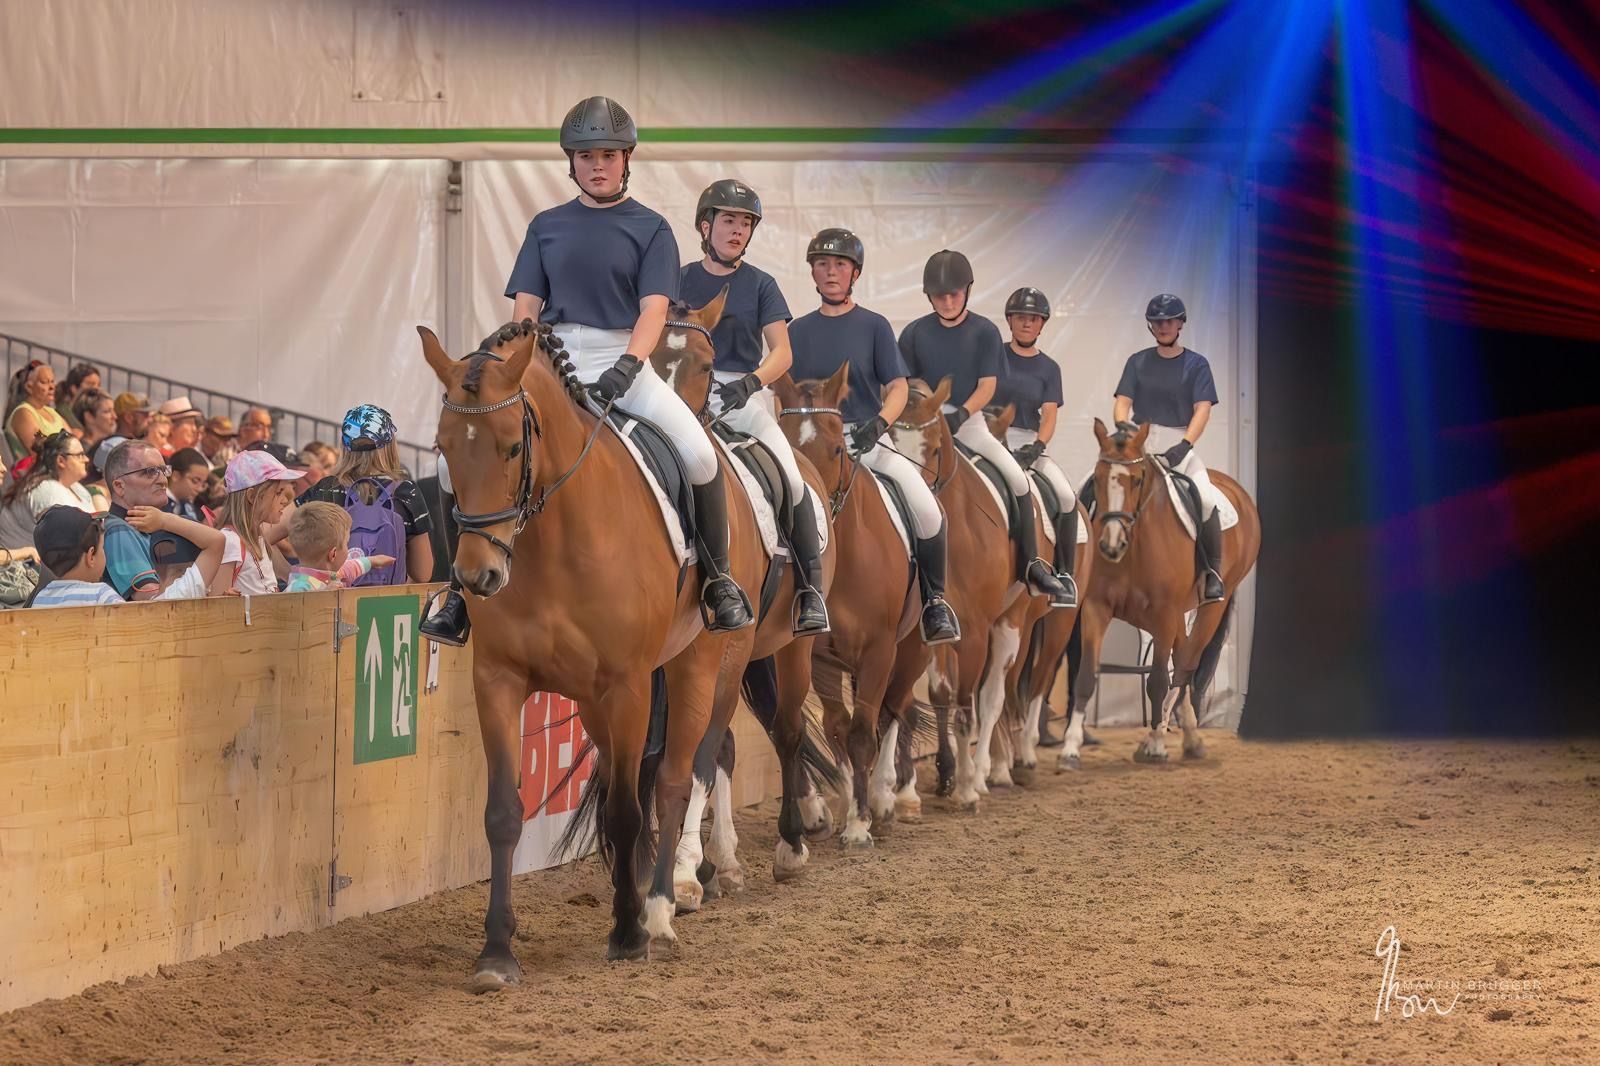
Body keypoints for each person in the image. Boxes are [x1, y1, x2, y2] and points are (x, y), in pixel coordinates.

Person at [426, 94, 752, 647]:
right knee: (444, 467)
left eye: (607, 154)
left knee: (698, 455)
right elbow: (525, 308)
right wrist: (516, 363)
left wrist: (630, 365)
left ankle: (718, 580)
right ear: (570, 162)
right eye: (585, 156)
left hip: (623, 356)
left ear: (626, 159)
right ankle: (456, 594)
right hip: (547, 357)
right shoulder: (545, 225)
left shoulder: (651, 228)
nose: (596, 165)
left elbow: (654, 309)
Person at [787, 228, 961, 645]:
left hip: (864, 437)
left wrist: (879, 423)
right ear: (812, 271)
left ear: (854, 274)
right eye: (823, 264)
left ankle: (935, 602)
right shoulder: (796, 331)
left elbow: (898, 386)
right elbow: (785, 395)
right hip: (811, 447)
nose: (831, 272)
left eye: (840, 265)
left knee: (928, 508)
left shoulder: (874, 326)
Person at [679, 179, 829, 634]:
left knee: (791, 475)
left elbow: (782, 352)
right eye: (729, 221)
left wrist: (751, 382)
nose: (738, 231)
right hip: (682, 391)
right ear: (706, 225)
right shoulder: (679, 278)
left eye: (745, 224)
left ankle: (810, 590)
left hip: (739, 393)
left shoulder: (761, 284)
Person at [898, 250, 1071, 607]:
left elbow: (988, 386)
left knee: (1019, 480)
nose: (947, 301)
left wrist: (961, 414)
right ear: (928, 295)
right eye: (939, 295)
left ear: (968, 291)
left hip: (969, 422)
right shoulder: (915, 331)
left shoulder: (984, 331)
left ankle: (1032, 564)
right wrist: (927, 405)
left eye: (954, 294)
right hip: (922, 423)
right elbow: (907, 381)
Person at [1112, 293, 1225, 604]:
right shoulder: (1137, 361)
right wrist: (1125, 429)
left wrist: (1186, 444)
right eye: (1158, 322)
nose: (1163, 326)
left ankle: (1211, 572)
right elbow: (1122, 402)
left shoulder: (1197, 364)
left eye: (1169, 321)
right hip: (1141, 440)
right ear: (1151, 326)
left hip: (1179, 441)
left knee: (1204, 498)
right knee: (1097, 487)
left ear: (1180, 324)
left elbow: (1203, 408)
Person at [991, 287, 1079, 606]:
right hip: (988, 439)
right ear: (1010, 321)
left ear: (1041, 324)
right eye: (1020, 318)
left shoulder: (1049, 368)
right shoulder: (992, 356)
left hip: (1028, 443)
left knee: (1067, 498)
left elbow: (1050, 415)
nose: (1026, 324)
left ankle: (1066, 575)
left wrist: (1037, 446)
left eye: (1033, 319)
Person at [298, 405, 433, 587]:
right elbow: (423, 573)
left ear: (345, 446)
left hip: (333, 604)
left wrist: (292, 578)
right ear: (390, 445)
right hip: (388, 608)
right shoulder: (406, 493)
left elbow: (268, 532)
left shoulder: (327, 490)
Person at [28, 503, 228, 609]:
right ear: (91, 556)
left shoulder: (41, 597)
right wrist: (164, 520)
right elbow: (216, 541)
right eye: (103, 548)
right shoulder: (101, 595)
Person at [210, 450, 300, 596]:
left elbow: (287, 578)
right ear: (252, 496)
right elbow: (219, 605)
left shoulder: (259, 538)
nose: (285, 500)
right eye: (278, 493)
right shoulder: (230, 541)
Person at [0, 430, 100, 550]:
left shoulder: (77, 488)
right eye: (79, 455)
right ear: (61, 461)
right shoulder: (45, 490)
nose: (86, 459)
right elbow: (66, 541)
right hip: (26, 564)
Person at [283, 502, 395, 592]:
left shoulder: (335, 572)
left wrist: (373, 561)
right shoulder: (298, 588)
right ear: (333, 554)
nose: (348, 547)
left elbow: (353, 566)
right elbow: (290, 616)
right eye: (346, 544)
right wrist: (324, 596)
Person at [7, 361, 67, 452]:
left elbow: (73, 439)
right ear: (29, 387)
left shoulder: (52, 412)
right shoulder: (23, 413)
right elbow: (39, 450)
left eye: (52, 381)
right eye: (44, 382)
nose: (51, 387)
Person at [54, 363, 102, 434]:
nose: (96, 388)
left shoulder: (96, 413)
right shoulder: (62, 412)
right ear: (74, 388)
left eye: (98, 385)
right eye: (90, 384)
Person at [167, 448, 212, 523]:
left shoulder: (188, 505)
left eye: (203, 484)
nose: (199, 489)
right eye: (195, 481)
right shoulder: (158, 503)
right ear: (176, 476)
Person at [72, 389, 119, 455]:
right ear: (89, 417)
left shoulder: (105, 448)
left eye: (113, 410)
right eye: (107, 411)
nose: (115, 416)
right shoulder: (82, 452)